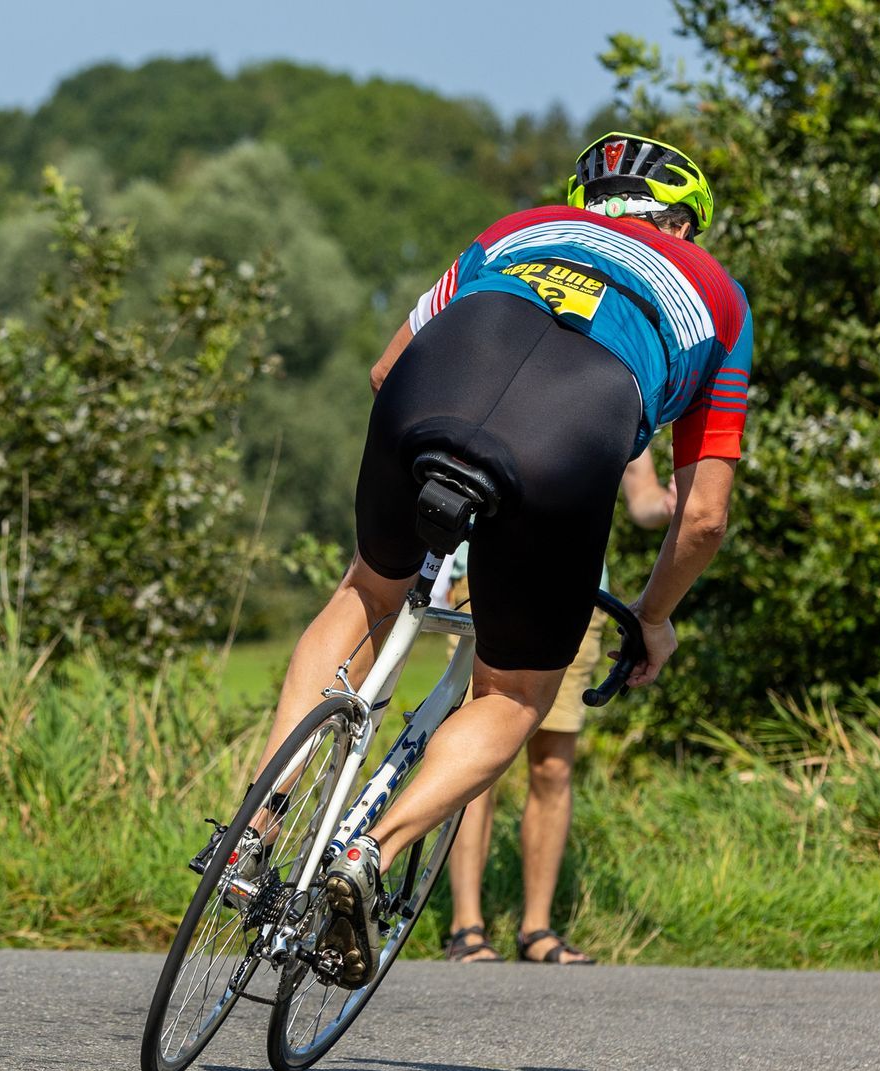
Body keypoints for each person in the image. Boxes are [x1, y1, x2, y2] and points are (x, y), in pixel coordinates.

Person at [250, 132, 752, 989]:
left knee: (370, 593)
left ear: (584, 202)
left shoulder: (518, 227)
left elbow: (385, 371)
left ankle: (253, 830)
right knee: (518, 692)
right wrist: (653, 617)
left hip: (443, 377)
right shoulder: (717, 296)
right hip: (574, 428)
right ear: (685, 225)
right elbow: (701, 518)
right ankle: (371, 853)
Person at [438, 455, 675, 966]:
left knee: (552, 763)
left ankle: (537, 929)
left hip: (580, 596)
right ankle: (466, 926)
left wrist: (671, 507)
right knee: (477, 762)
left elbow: (644, 500)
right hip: (486, 578)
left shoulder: (625, 390)